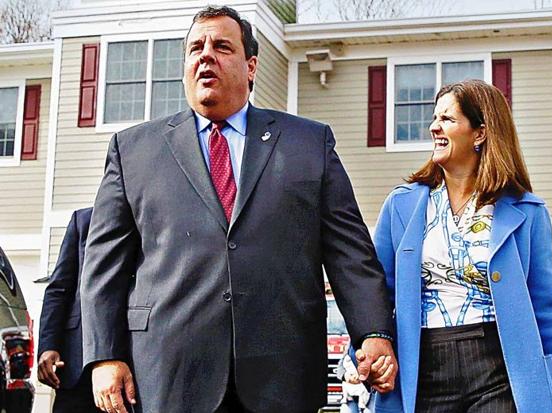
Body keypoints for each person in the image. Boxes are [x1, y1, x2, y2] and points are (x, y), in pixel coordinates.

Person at [80, 5, 397, 413]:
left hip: (282, 374)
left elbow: (349, 252)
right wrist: (105, 355)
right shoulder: (132, 151)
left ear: (251, 66)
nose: (205, 55)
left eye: (221, 46)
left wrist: (373, 332)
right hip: (168, 374)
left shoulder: (308, 144)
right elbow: (102, 266)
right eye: (195, 47)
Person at [367, 79, 552, 412]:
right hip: (422, 370)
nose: (434, 127)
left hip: (500, 372)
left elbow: (546, 313)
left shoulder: (527, 212)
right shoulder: (401, 206)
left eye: (447, 119)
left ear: (480, 132)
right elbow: (378, 295)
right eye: (434, 118)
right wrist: (368, 349)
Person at [38, 207, 97, 413]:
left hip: (133, 365)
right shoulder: (83, 221)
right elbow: (59, 288)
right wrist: (48, 345)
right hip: (77, 362)